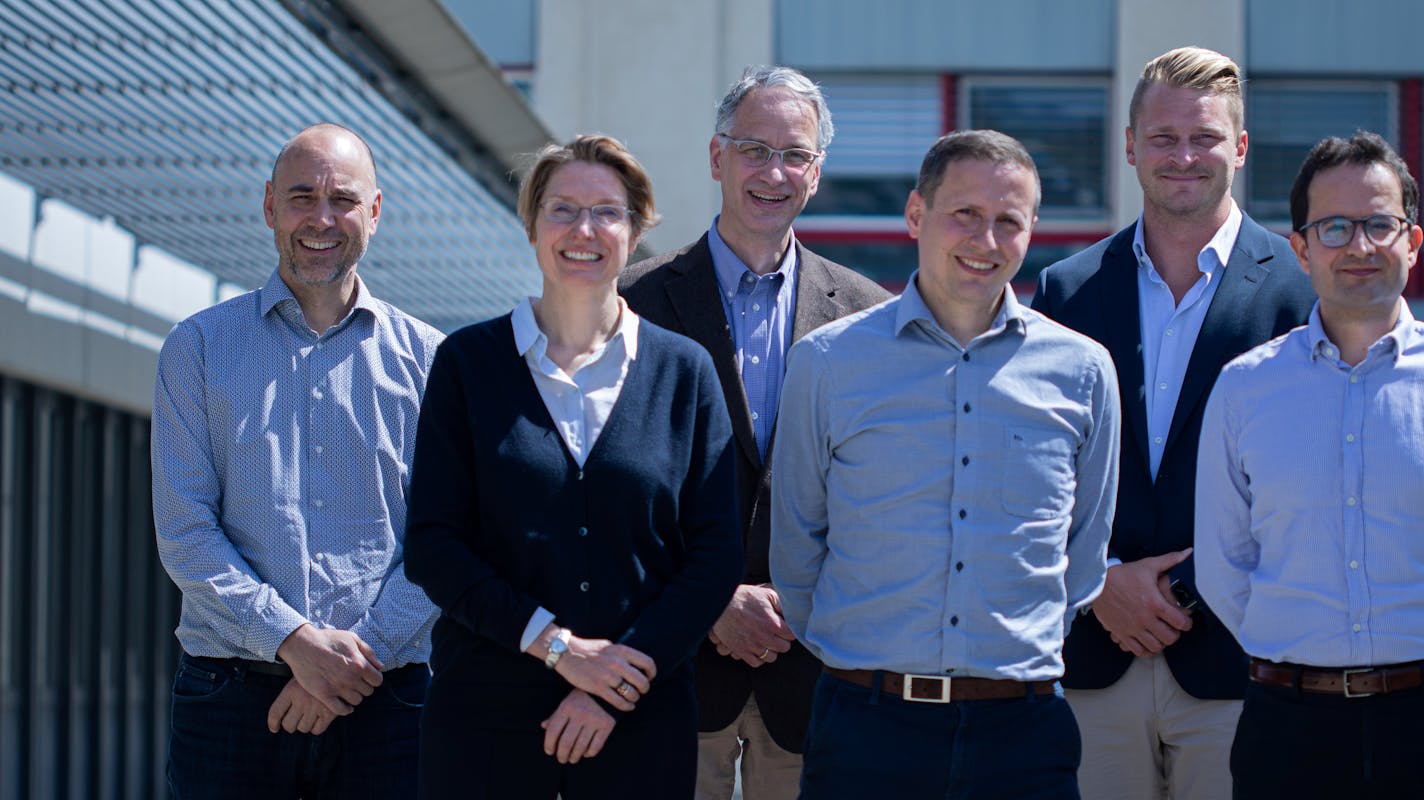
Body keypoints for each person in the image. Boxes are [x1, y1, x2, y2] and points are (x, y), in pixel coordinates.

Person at [1193, 131, 1424, 799]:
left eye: (1378, 225)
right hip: (1289, 731)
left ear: (1413, 243)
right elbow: (1225, 568)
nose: (1359, 246)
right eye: (1334, 227)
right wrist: (1303, 644)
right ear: (1300, 249)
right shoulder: (1244, 389)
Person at [769, 130, 1120, 800]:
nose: (985, 241)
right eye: (965, 214)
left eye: (1008, 222)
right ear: (914, 215)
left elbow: (1082, 557)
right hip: (865, 732)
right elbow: (797, 547)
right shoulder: (827, 363)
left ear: (1031, 231)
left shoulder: (1082, 371)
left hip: (1024, 733)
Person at [404, 134, 742, 798]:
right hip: (485, 726)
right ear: (531, 227)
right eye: (562, 209)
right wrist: (559, 650)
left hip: (640, 722)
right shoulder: (467, 364)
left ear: (637, 228)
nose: (584, 230)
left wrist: (611, 683)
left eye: (607, 211)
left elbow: (715, 557)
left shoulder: (685, 371)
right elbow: (433, 546)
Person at [1030, 46, 1313, 800]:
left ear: (1241, 148)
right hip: (1094, 657)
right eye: (1162, 138)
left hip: (1240, 662)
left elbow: (1312, 477)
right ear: (1130, 146)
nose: (1183, 156)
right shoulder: (1067, 290)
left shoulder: (1301, 292)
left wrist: (1184, 587)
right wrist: (1099, 585)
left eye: (1206, 137)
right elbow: (1031, 466)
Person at [618, 65, 891, 800]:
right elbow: (606, 491)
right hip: (668, 670)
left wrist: (800, 604)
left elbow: (879, 495)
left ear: (817, 170)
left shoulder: (869, 316)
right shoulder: (631, 303)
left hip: (813, 676)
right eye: (753, 150)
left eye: (794, 154)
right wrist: (709, 602)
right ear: (716, 158)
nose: (774, 172)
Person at [152, 122, 441, 798]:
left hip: (390, 703)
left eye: (341, 199)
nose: (321, 218)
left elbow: (446, 537)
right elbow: (186, 532)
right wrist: (297, 645)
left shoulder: (433, 362)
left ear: (374, 211)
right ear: (269, 206)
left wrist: (347, 667)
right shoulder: (195, 349)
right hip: (231, 703)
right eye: (301, 196)